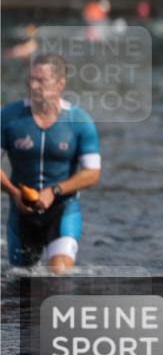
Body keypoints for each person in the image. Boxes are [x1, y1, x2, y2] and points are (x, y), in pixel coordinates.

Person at [1, 54, 101, 272]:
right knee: (20, 287)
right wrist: (13, 192)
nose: (34, 86)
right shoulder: (9, 117)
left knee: (58, 277)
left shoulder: (80, 121)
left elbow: (92, 173)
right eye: (31, 80)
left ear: (60, 83)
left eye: (42, 81)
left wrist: (54, 191)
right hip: (21, 212)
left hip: (62, 210)